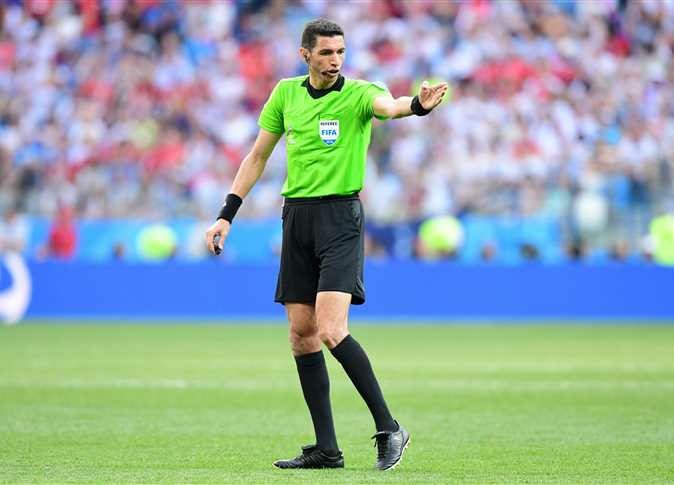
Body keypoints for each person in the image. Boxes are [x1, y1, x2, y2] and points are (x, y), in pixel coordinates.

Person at [205, 18, 448, 471]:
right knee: (301, 335)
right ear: (305, 55)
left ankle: (390, 428)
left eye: (340, 52)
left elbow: (391, 105)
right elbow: (257, 156)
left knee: (332, 329)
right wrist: (226, 214)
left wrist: (417, 105)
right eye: (326, 53)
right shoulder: (285, 94)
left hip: (340, 219)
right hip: (296, 218)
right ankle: (327, 449)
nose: (335, 60)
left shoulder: (359, 93)